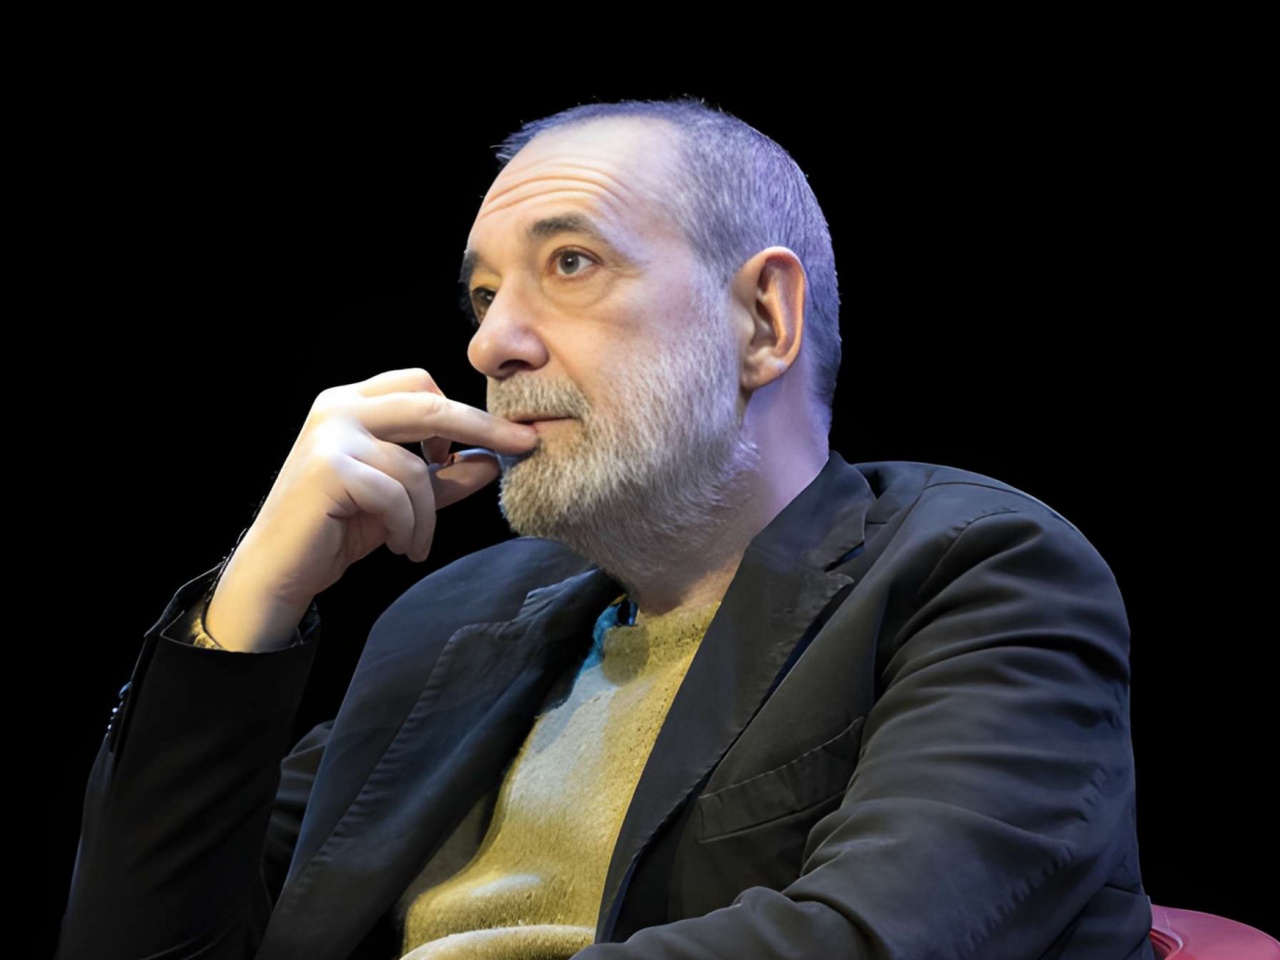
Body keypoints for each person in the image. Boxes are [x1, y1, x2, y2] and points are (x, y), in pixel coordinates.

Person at [57, 100, 1155, 959]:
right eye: (483, 296)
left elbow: (866, 939)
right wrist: (250, 608)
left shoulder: (976, 575)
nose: (492, 345)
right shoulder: (447, 624)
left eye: (570, 264)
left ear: (761, 319)